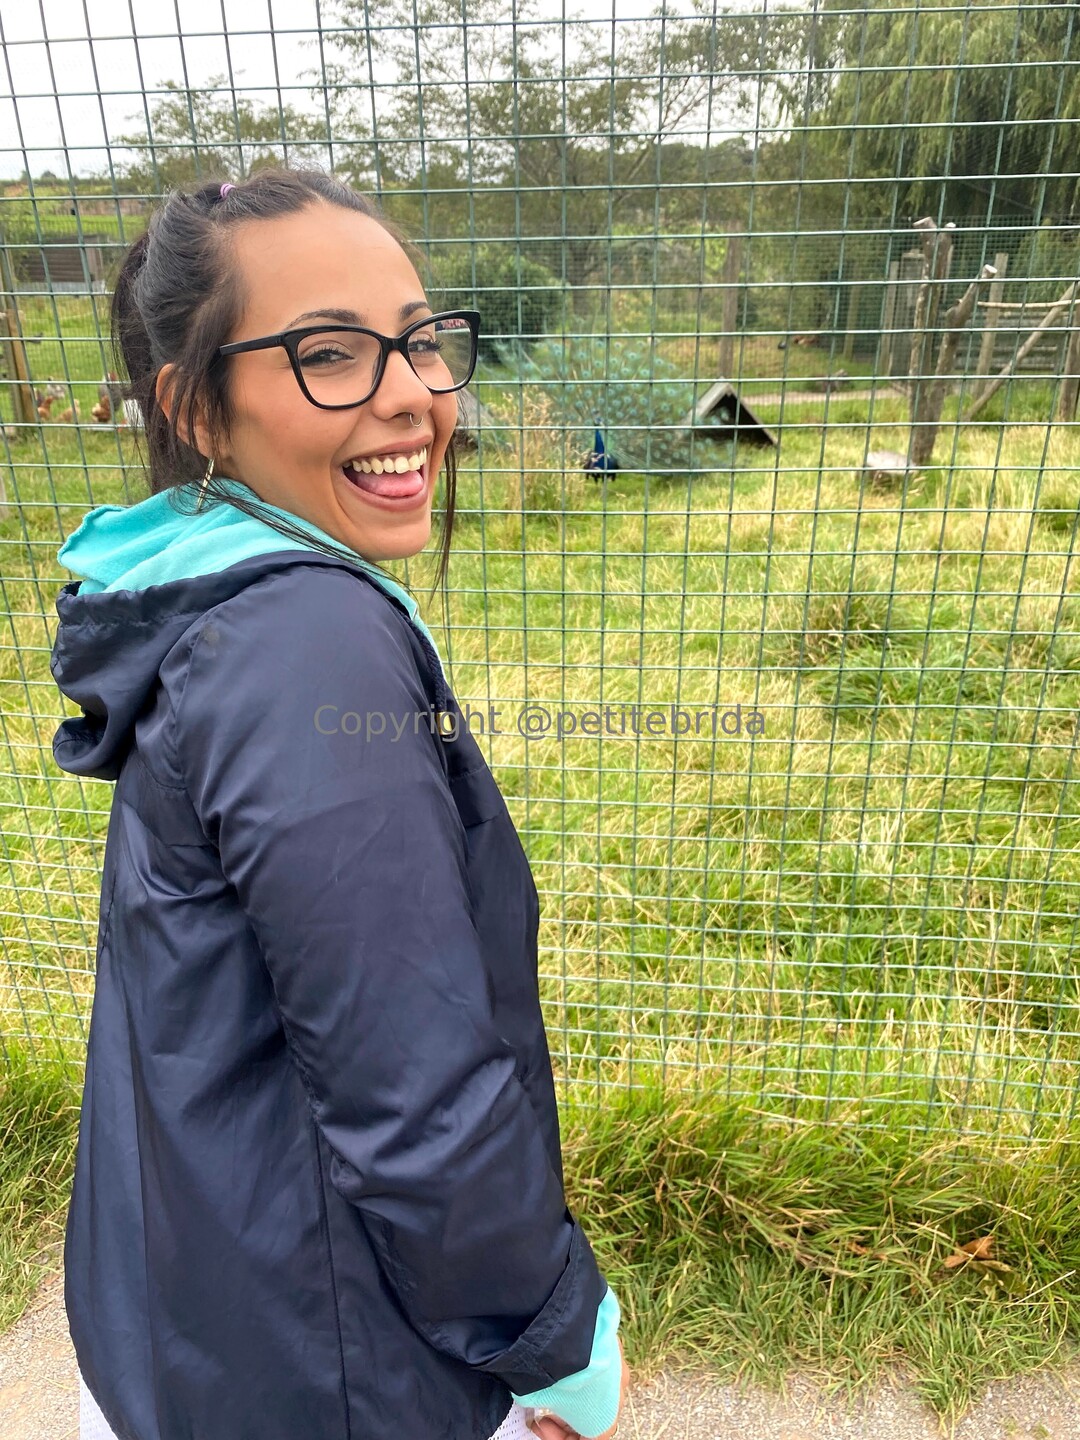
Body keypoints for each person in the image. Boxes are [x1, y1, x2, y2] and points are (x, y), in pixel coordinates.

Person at [49, 165, 630, 1440]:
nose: (413, 392)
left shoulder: (197, 595)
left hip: (191, 1326)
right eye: (329, 355)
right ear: (195, 409)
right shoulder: (305, 644)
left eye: (419, 341)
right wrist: (549, 1340)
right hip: (333, 1378)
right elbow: (414, 1090)